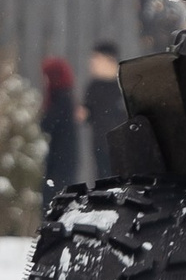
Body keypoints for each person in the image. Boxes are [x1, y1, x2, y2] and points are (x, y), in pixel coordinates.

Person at [81, 42, 126, 180]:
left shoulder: (123, 84)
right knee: (103, 179)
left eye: (96, 59)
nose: (92, 63)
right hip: (100, 143)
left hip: (122, 144)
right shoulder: (94, 86)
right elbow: (88, 113)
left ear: (109, 60)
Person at [39, 56, 80, 199]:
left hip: (61, 158)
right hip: (62, 156)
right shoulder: (65, 97)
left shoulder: (60, 98)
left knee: (55, 197)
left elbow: (48, 124)